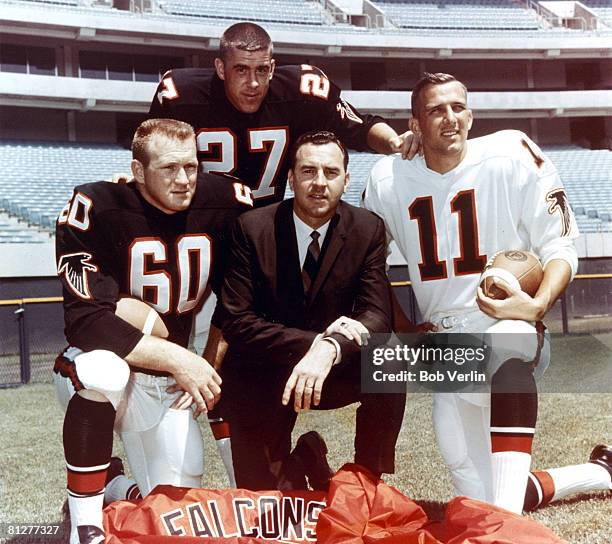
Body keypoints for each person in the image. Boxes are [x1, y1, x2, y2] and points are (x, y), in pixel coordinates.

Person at [148, 20, 420, 485]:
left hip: (277, 234)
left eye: (261, 70)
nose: (252, 83)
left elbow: (355, 125)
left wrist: (395, 142)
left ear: (274, 67)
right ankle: (174, 431)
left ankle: (369, 480)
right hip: (219, 229)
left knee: (387, 356)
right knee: (205, 352)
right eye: (240, 71)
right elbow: (156, 149)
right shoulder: (183, 94)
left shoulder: (306, 94)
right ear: (219, 68)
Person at [362, 72, 611, 514]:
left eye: (458, 107)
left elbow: (560, 248)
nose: (450, 118)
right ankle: (599, 473)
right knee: (483, 499)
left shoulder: (510, 155)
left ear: (471, 114)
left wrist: (536, 304)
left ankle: (509, 526)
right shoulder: (387, 179)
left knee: (510, 343)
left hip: (506, 322)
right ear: (415, 125)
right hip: (446, 346)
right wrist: (404, 329)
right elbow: (368, 269)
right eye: (437, 110)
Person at [54, 118, 252, 544]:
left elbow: (241, 296)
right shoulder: (97, 207)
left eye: (192, 166)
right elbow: (86, 321)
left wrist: (207, 359)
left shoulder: (227, 202)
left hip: (165, 382)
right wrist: (182, 359)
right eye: (168, 168)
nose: (183, 180)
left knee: (171, 512)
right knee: (104, 372)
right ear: (138, 171)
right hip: (101, 364)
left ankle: (113, 486)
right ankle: (84, 524)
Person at [219, 130, 406, 490]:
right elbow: (237, 321)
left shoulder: (367, 229)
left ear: (346, 180)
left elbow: (378, 317)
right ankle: (306, 460)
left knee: (389, 358)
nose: (319, 183)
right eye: (308, 171)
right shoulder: (252, 228)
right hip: (266, 370)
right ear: (291, 177)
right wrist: (314, 341)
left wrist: (330, 347)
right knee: (271, 509)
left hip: (332, 369)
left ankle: (368, 480)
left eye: (331, 173)